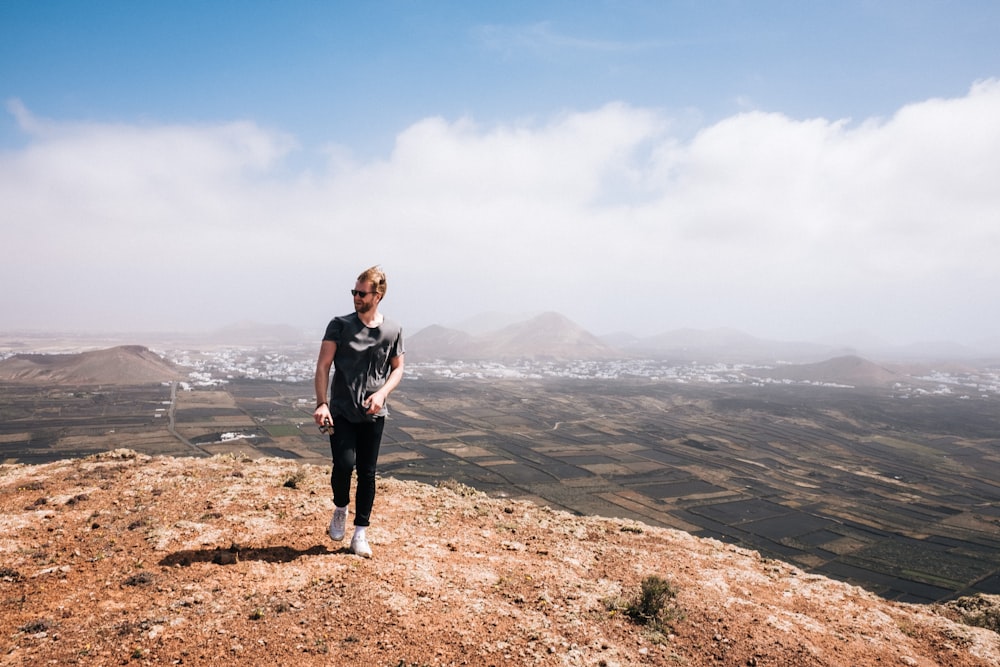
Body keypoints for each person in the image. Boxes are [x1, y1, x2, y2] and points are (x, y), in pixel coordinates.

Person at [313, 266, 405, 558]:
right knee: (344, 464)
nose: (355, 297)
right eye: (354, 292)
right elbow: (323, 365)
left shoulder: (393, 330)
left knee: (368, 473)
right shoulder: (338, 325)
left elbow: (398, 368)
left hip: (374, 414)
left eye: (361, 293)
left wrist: (382, 393)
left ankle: (360, 534)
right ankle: (341, 507)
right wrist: (321, 402)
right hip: (341, 409)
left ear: (377, 295)